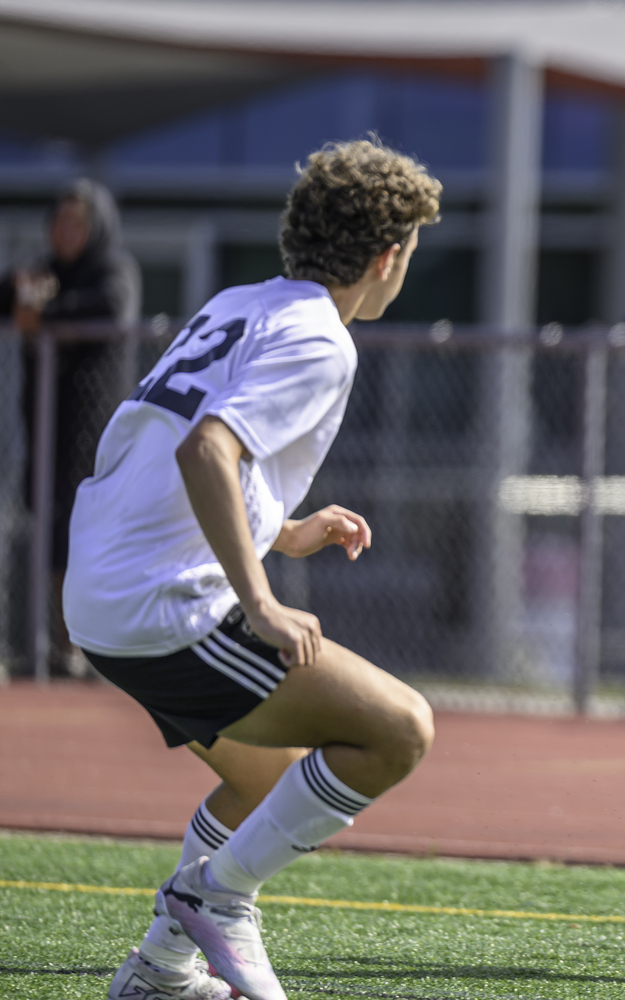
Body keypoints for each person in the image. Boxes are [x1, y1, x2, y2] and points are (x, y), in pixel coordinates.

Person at [65, 140, 441, 1000]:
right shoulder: (322, 340)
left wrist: (284, 528)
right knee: (399, 731)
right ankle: (218, 896)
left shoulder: (243, 303)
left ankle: (160, 970)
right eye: (410, 254)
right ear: (386, 257)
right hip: (166, 610)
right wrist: (260, 600)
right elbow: (207, 448)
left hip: (98, 596)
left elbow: (175, 456)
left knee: (264, 777)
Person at [1, 179, 140, 675]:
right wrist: (26, 297)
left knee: (84, 539)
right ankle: (42, 645)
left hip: (95, 432)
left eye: (76, 222)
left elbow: (108, 305)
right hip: (45, 428)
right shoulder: (47, 272)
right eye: (58, 221)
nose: (64, 232)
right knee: (43, 529)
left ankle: (83, 649)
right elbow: (15, 295)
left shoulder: (113, 270)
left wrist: (44, 312)